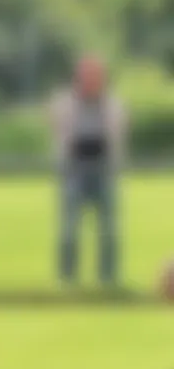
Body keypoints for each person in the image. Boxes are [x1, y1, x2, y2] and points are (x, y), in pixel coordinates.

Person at [50, 55, 126, 288]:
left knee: (108, 228)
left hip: (102, 169)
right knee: (69, 228)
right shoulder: (66, 104)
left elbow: (117, 134)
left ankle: (108, 278)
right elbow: (59, 131)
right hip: (75, 169)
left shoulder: (112, 105)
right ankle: (67, 278)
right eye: (87, 76)